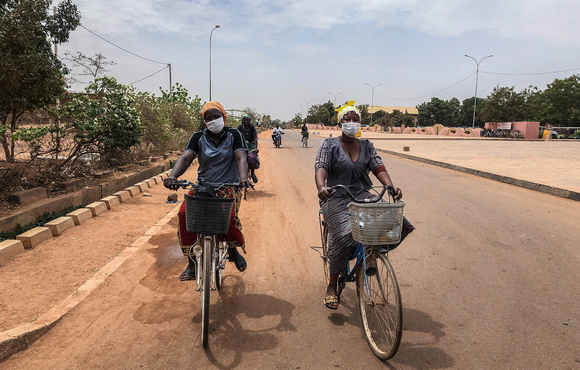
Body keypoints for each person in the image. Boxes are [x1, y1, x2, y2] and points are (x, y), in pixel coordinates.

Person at [314, 101, 404, 310]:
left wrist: (390, 186)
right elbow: (321, 167)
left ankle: (372, 254)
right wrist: (321, 187)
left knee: (391, 218)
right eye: (348, 120)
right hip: (336, 196)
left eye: (356, 120)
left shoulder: (367, 145)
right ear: (340, 123)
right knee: (343, 235)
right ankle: (332, 285)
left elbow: (378, 166)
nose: (352, 123)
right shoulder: (329, 145)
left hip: (362, 194)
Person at [164, 101, 251, 280]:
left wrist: (243, 179)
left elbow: (241, 158)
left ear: (224, 117)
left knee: (227, 216)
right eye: (208, 118)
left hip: (229, 185)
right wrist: (173, 176)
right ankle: (192, 263)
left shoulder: (235, 134)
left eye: (216, 116)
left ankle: (232, 250)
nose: (213, 121)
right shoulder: (198, 137)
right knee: (184, 214)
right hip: (204, 186)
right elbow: (186, 158)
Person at [237, 114, 259, 183]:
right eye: (245, 119)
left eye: (248, 120)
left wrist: (255, 148)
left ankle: (252, 174)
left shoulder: (252, 128)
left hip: (250, 146)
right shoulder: (240, 127)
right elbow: (236, 136)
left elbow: (255, 138)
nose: (246, 121)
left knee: (252, 158)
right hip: (241, 145)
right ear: (242, 120)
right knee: (235, 158)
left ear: (250, 121)